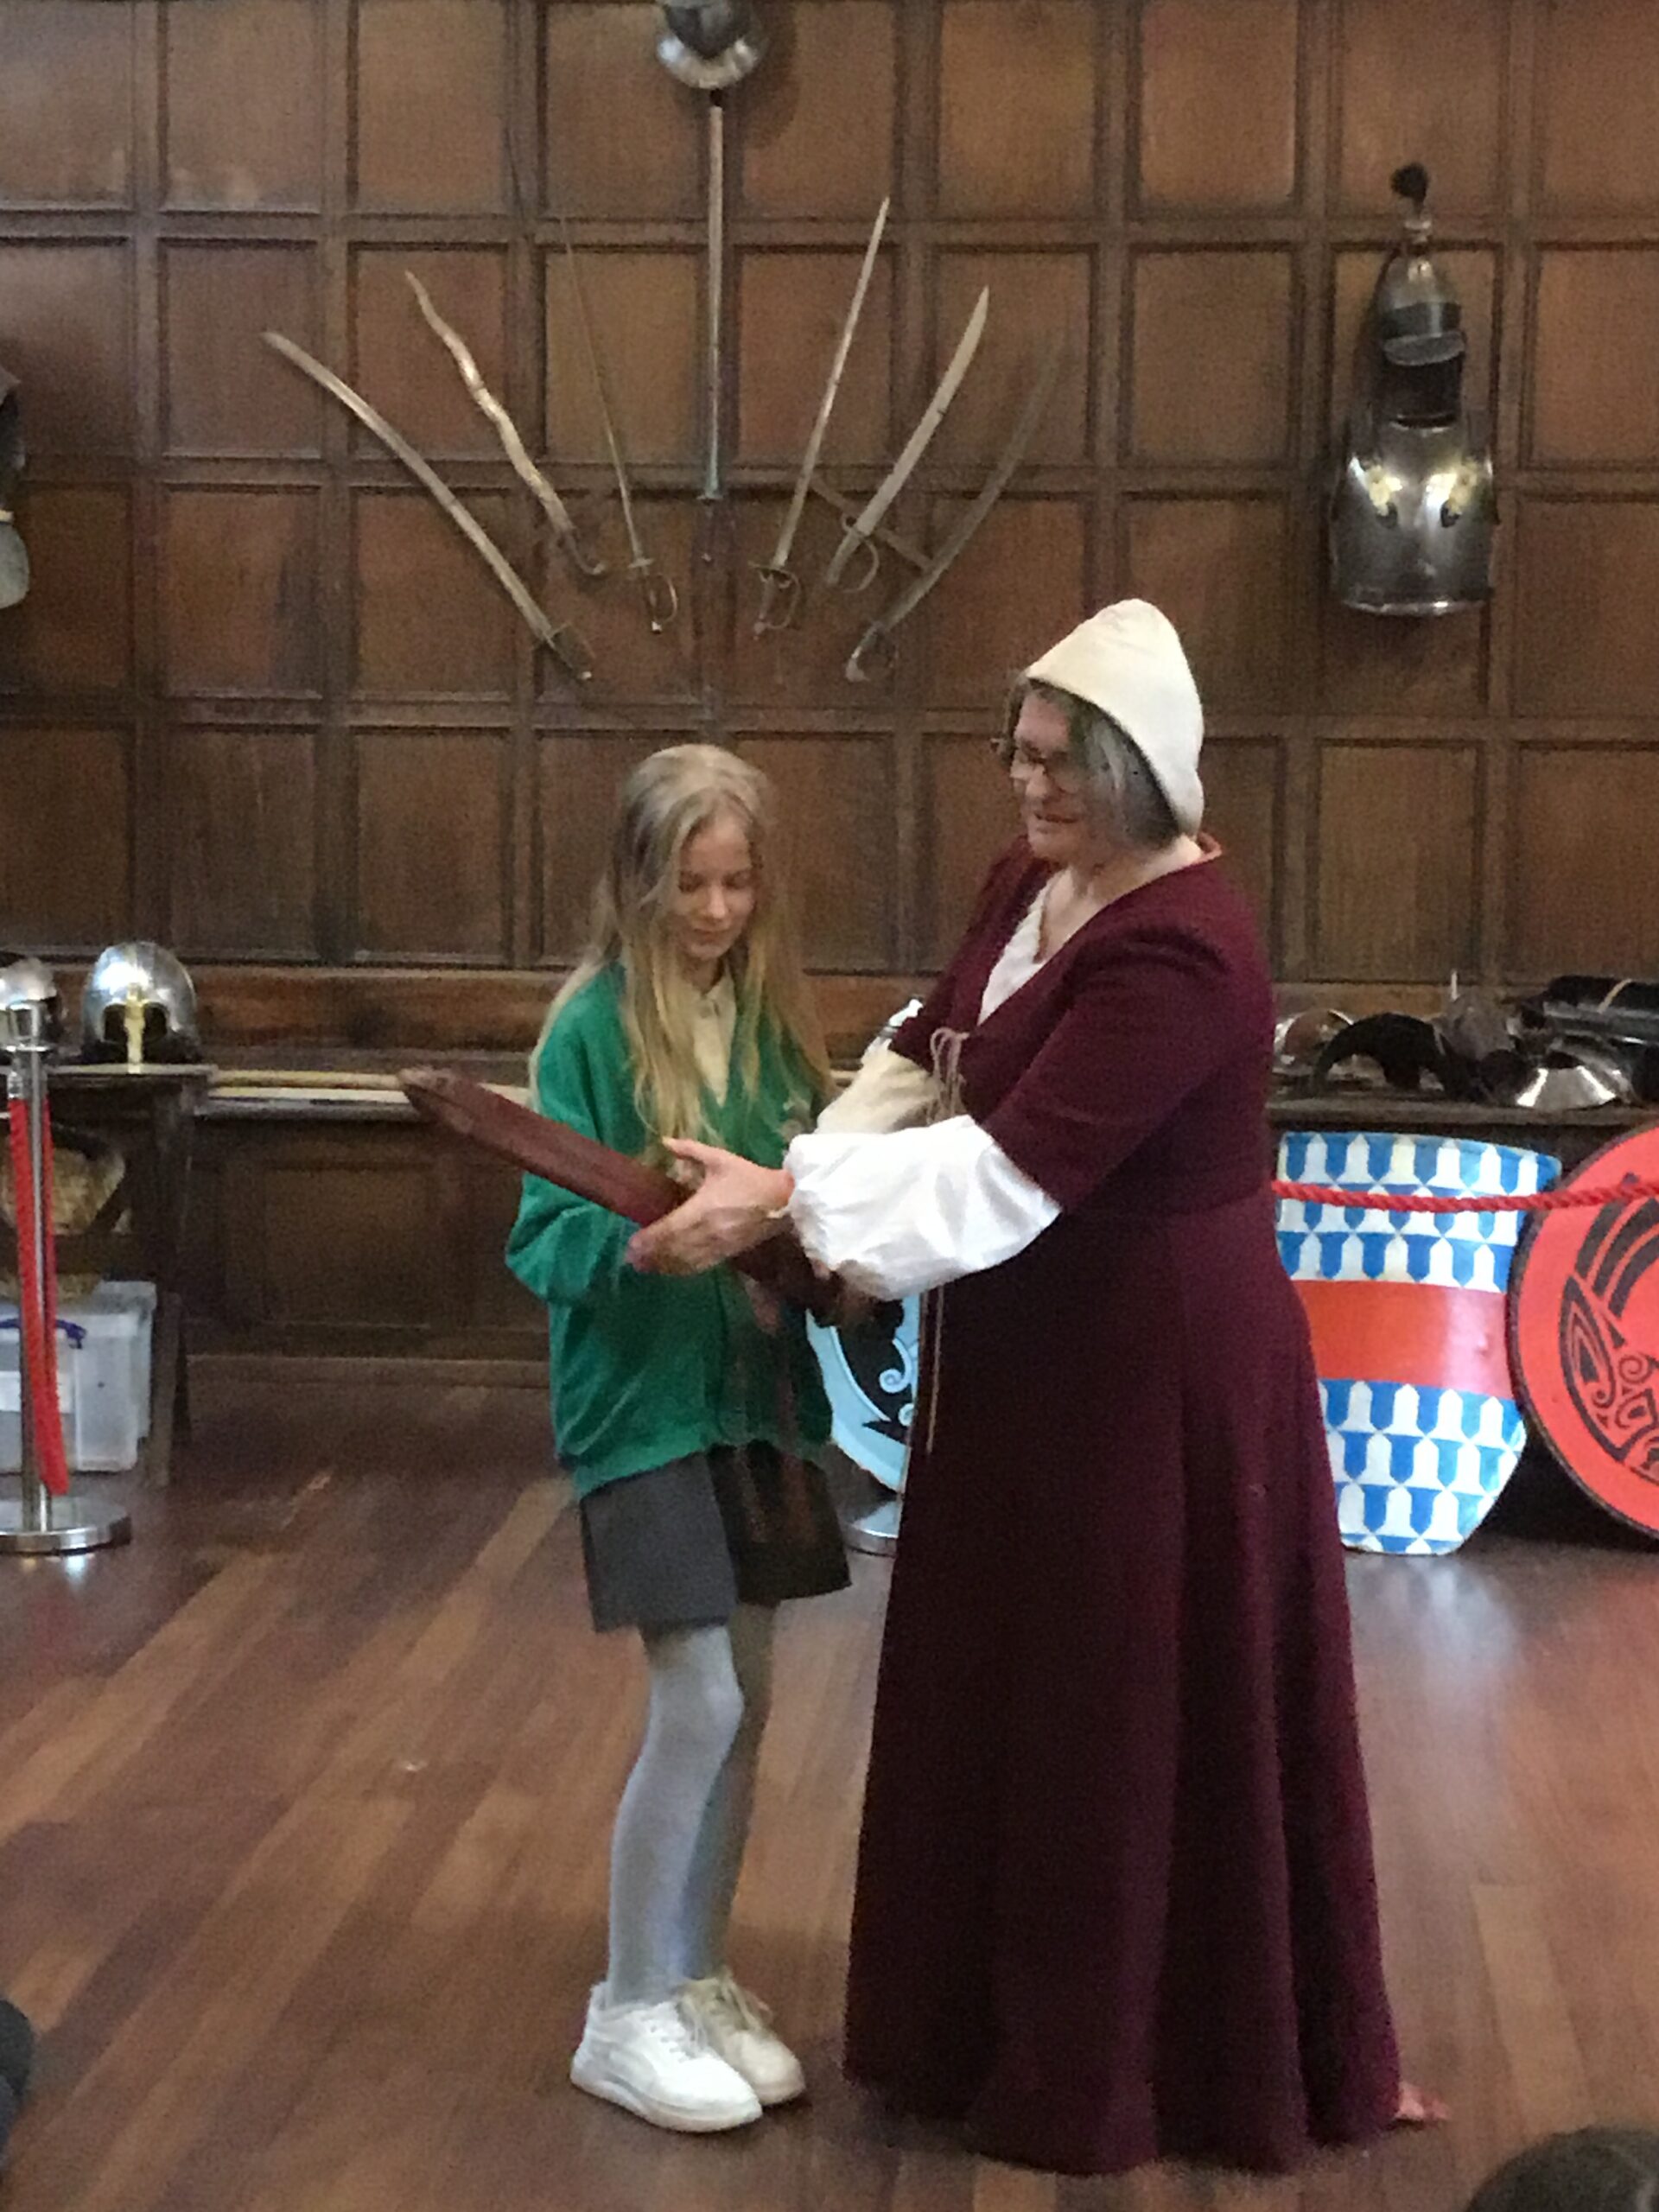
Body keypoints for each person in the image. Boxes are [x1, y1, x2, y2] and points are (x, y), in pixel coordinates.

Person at [627, 601, 1438, 2174]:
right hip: (1023, 1356)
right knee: (1004, 1676)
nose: (1030, 782)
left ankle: (1126, 2060)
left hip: (1155, 1376)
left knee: (1115, 1696)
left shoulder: (1187, 949)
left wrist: (785, 1202)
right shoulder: (1033, 884)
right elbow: (930, 1052)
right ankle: (967, 2029)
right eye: (1021, 751)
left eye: (1064, 761)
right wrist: (808, 1171)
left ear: (1142, 771)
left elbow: (1005, 1176)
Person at [505, 744, 848, 2135]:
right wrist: (648, 1249)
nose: (715, 911)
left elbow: (807, 1189)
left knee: (747, 1706)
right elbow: (544, 1237)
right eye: (691, 884)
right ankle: (629, 2005)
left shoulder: (771, 1023)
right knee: (697, 1699)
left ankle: (696, 1974)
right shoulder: (588, 1033)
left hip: (755, 1407)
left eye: (737, 883)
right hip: (640, 1411)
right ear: (639, 880)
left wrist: (793, 1246)